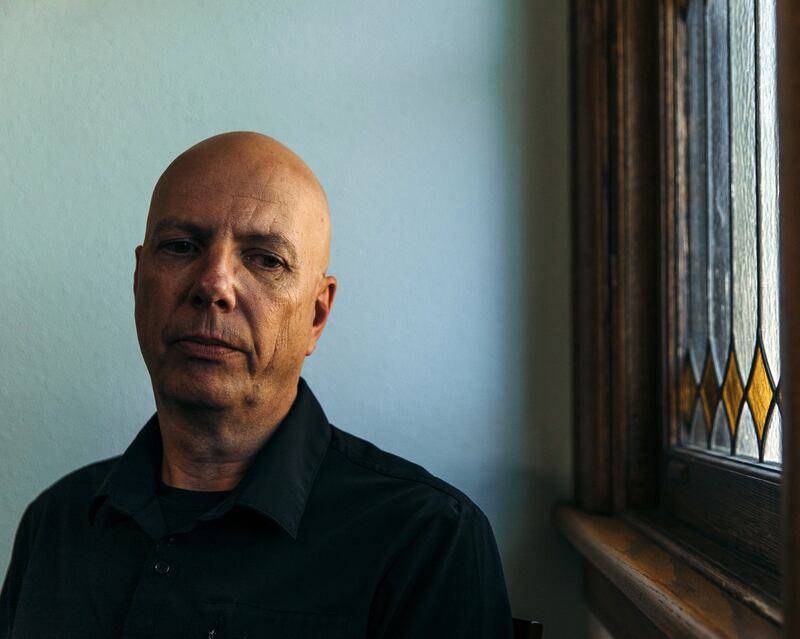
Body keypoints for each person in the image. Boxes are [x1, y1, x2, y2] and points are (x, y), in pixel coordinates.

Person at [0, 132, 513, 638]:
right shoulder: (57, 522)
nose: (213, 284)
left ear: (317, 313)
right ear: (139, 282)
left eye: (266, 259)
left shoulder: (426, 539)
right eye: (181, 246)